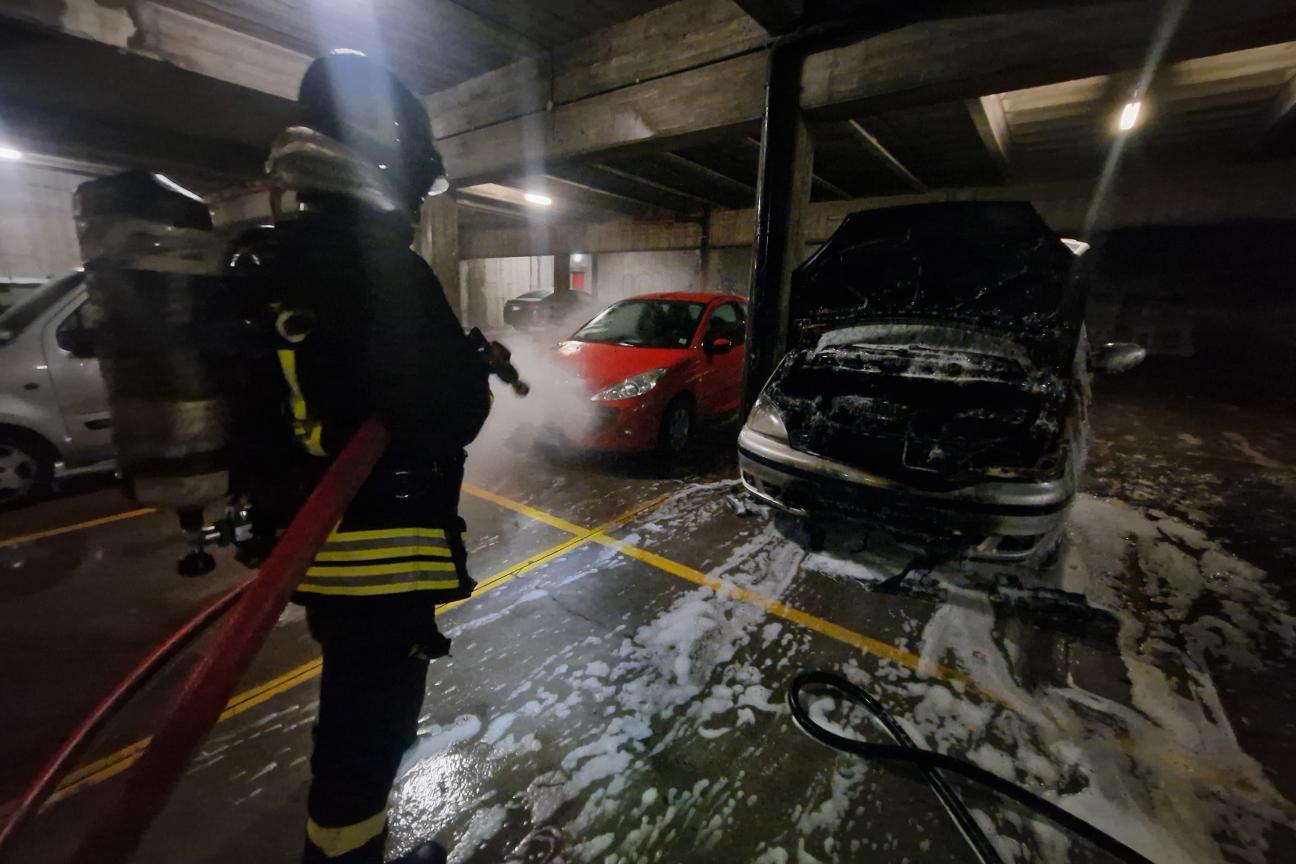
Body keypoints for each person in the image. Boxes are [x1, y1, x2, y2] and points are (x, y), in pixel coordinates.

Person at [232, 51, 492, 864]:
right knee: (364, 734)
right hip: (381, 557)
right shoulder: (382, 268)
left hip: (310, 542)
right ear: (393, 163)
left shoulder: (265, 256)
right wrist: (467, 371)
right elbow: (448, 414)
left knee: (353, 718)